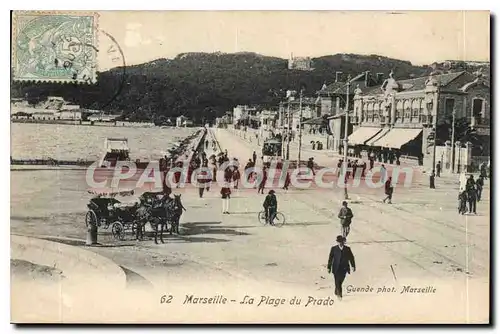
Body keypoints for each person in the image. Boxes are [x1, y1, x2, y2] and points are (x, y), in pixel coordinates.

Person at [327, 235, 356, 300]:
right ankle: (340, 295)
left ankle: (337, 289)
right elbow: (330, 258)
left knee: (341, 281)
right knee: (337, 281)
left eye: (341, 241)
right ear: (337, 242)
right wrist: (329, 267)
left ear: (343, 242)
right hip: (336, 268)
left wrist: (353, 266)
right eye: (339, 242)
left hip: (344, 268)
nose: (340, 243)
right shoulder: (334, 249)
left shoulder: (347, 249)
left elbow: (351, 258)